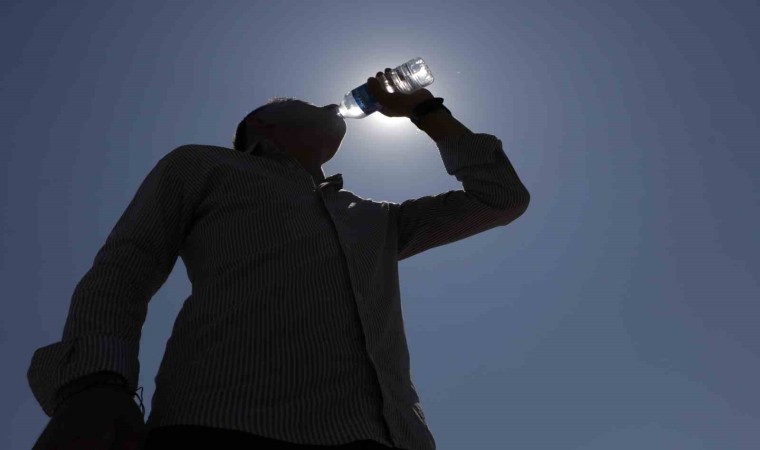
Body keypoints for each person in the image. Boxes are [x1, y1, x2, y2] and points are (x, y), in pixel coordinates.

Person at [28, 69, 530, 450]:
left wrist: (426, 111)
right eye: (304, 103)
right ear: (262, 128)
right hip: (222, 425)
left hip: (388, 437)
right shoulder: (204, 166)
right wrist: (94, 384)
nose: (328, 105)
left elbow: (500, 198)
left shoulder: (375, 218)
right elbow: (126, 266)